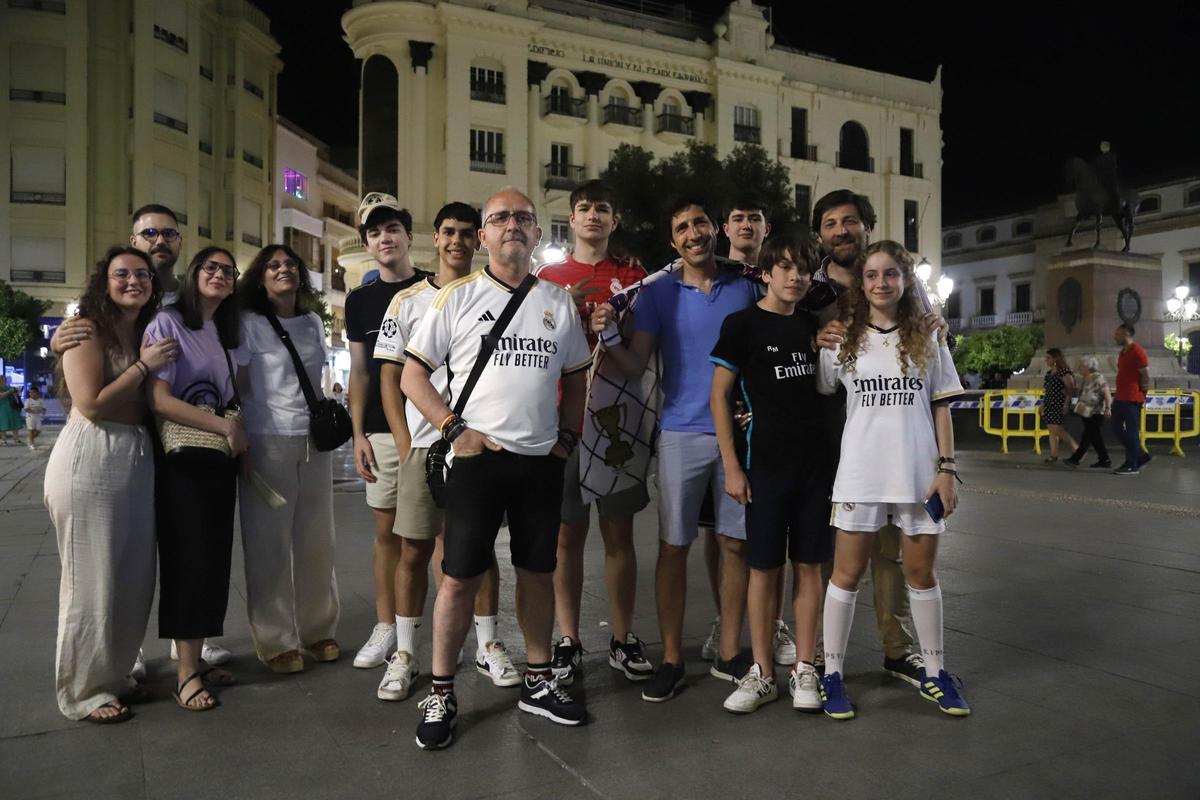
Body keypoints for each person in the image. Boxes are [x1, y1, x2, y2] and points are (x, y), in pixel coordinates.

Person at [400, 188, 592, 750]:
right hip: (477, 462)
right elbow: (413, 377)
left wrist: (569, 439)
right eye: (500, 217)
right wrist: (454, 431)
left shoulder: (558, 302)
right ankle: (440, 690)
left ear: (537, 234)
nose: (513, 225)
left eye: (523, 218)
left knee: (537, 571)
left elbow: (577, 376)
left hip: (540, 462)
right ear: (483, 235)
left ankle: (537, 680)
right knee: (459, 576)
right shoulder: (456, 298)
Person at [48, 203, 232, 672]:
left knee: (148, 558)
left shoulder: (179, 300)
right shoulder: (112, 305)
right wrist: (59, 339)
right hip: (112, 438)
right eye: (149, 233)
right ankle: (113, 663)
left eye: (169, 233)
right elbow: (88, 365)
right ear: (133, 242)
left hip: (160, 444)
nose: (159, 240)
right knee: (104, 562)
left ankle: (175, 646)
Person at [592, 198, 760, 703]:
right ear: (673, 241)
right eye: (683, 227)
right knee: (674, 546)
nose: (693, 233)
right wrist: (607, 333)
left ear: (715, 229)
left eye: (701, 223)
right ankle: (670, 657)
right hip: (680, 432)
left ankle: (730, 651)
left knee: (734, 544)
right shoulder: (658, 293)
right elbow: (633, 362)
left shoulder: (746, 286)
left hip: (737, 434)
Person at [816, 240, 970, 719]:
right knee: (845, 575)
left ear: (906, 280)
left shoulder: (930, 335)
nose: (881, 283)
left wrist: (947, 471)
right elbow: (823, 388)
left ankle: (935, 673)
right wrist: (817, 340)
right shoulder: (842, 338)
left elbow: (942, 405)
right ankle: (833, 675)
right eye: (871, 275)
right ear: (861, 284)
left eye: (890, 274)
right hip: (860, 475)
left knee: (921, 576)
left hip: (918, 475)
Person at [374, 202, 513, 702]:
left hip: (477, 445)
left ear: (479, 239)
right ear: (434, 239)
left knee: (478, 550)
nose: (457, 241)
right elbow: (390, 378)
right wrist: (407, 442)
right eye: (447, 233)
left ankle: (488, 643)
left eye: (465, 233)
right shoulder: (408, 301)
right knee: (413, 549)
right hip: (425, 443)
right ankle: (406, 653)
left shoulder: (492, 294)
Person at [806, 189, 932, 688]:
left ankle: (897, 648)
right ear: (821, 234)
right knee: (820, 554)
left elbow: (926, 340)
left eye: (851, 221)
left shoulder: (894, 282)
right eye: (831, 223)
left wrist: (937, 324)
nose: (842, 231)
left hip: (886, 440)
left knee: (889, 552)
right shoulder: (808, 289)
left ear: (866, 226)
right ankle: (816, 655)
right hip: (822, 437)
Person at [44, 246, 175, 722]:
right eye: (122, 274)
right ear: (105, 280)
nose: (133, 281)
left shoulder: (145, 328)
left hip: (135, 454)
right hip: (91, 453)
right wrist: (144, 365)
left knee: (132, 577)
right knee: (91, 579)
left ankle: (116, 673)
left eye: (141, 274)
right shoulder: (86, 329)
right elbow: (93, 403)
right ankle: (84, 690)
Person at [534, 180, 653, 685]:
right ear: (571, 218)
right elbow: (530, 346)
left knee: (619, 534)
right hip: (562, 422)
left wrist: (612, 322)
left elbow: (641, 350)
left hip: (617, 422)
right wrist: (562, 306)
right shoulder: (547, 277)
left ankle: (623, 638)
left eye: (603, 209)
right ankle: (568, 639)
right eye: (584, 209)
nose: (593, 217)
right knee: (566, 538)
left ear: (614, 220)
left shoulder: (634, 277)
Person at [710, 235, 830, 714]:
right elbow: (719, 396)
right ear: (764, 273)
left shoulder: (813, 327)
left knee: (809, 566)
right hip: (764, 467)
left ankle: (805, 668)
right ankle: (762, 671)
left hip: (816, 467)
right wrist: (732, 466)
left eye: (802, 268)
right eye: (784, 267)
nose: (795, 276)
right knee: (763, 568)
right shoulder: (741, 325)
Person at [144, 246, 245, 711]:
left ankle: (197, 659)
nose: (221, 275)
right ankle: (184, 673)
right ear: (194, 273)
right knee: (189, 560)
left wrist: (234, 428)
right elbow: (160, 399)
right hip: (183, 459)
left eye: (228, 270)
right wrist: (225, 426)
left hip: (217, 462)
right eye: (212, 267)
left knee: (213, 560)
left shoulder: (221, 331)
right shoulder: (168, 323)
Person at [233, 244, 340, 674]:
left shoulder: (313, 321)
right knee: (269, 544)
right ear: (260, 277)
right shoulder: (248, 324)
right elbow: (239, 386)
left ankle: (317, 629)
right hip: (267, 437)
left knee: (318, 540)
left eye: (290, 264)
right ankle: (276, 638)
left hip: (313, 441)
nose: (284, 269)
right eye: (274, 265)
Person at [700, 199, 797, 668]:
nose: (745, 224)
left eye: (753, 218)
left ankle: (771, 623)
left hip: (766, 431)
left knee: (758, 536)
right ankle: (728, 620)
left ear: (766, 228)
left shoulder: (787, 281)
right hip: (716, 424)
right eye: (737, 217)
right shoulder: (715, 278)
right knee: (721, 536)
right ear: (725, 227)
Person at [345, 193, 433, 669]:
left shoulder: (436, 289)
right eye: (374, 233)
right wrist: (358, 433)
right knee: (387, 534)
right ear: (367, 244)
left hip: (433, 426)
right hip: (381, 431)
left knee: (437, 537)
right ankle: (385, 627)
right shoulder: (361, 300)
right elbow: (360, 372)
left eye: (391, 229)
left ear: (408, 236)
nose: (384, 238)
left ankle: (437, 626)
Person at [1112, 324, 1151, 475]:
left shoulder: (1138, 351)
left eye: (1117, 333)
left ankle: (1131, 464)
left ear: (1126, 333)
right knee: (1116, 428)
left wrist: (1143, 395)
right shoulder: (1123, 352)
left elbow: (1145, 375)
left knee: (1132, 432)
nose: (1114, 336)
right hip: (1120, 396)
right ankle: (1141, 455)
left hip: (1132, 397)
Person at [1064, 356, 1112, 468]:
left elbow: (1107, 393)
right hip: (1085, 411)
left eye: (1081, 366)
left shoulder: (1098, 378)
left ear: (1088, 367)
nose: (1079, 368)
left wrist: (1108, 408)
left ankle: (1077, 459)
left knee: (1092, 436)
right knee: (1090, 436)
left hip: (1096, 412)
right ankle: (1103, 459)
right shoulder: (1085, 379)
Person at [1041, 348, 1078, 463]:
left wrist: (1066, 404)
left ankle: (1078, 451)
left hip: (1059, 404)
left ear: (1056, 358)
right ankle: (1054, 455)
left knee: (1058, 430)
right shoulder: (1049, 373)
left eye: (1048, 358)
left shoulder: (1064, 372)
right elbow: (1047, 391)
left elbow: (1070, 389)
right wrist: (1043, 404)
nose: (1046, 360)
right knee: (1052, 431)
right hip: (1049, 404)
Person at [0, 376, 21, 444]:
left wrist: (17, 391)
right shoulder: (7, 388)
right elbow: (1, 395)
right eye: (3, 379)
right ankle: (3, 440)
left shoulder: (9, 387)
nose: (5, 380)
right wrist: (9, 391)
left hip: (12, 407)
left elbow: (15, 394)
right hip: (2, 407)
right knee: (3, 424)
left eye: (5, 379)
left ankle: (16, 439)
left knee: (14, 423)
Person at [24, 385, 46, 449]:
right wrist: (33, 411)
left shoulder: (40, 400)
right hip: (30, 417)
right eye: (30, 392)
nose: (31, 394)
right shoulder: (28, 400)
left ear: (37, 393)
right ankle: (31, 444)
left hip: (38, 417)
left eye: (33, 392)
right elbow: (26, 409)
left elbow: (43, 408)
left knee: (38, 431)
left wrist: (42, 411)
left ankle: (30, 439)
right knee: (31, 430)